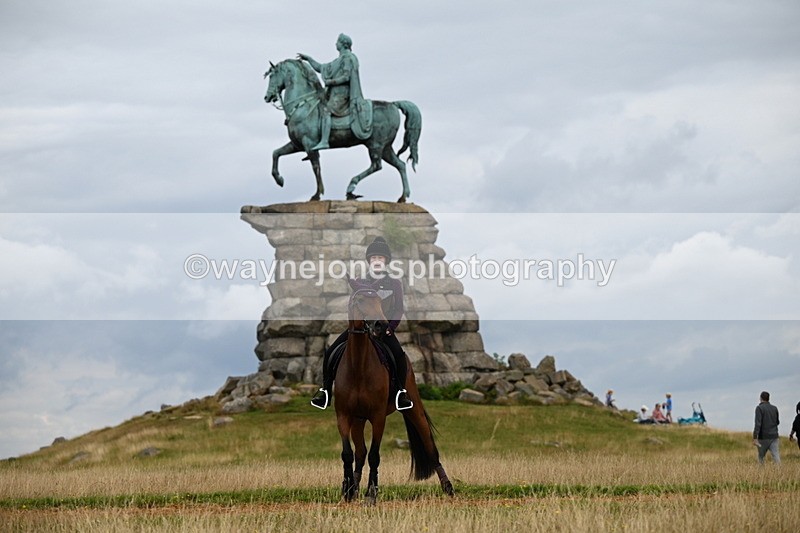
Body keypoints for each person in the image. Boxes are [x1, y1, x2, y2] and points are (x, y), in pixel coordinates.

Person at [311, 237, 413, 411]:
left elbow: (398, 309)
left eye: (380, 258)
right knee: (330, 353)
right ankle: (325, 392)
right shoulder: (360, 282)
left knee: (399, 356)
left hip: (383, 329)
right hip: (359, 329)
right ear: (369, 261)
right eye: (374, 258)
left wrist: (390, 328)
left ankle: (400, 394)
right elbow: (352, 305)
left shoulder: (394, 283)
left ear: (386, 261)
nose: (377, 261)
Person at [297, 33, 372, 150]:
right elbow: (320, 67)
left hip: (343, 95)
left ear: (343, 44)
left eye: (337, 42)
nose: (335, 44)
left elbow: (346, 77)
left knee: (326, 110)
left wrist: (331, 82)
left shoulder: (348, 58)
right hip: (334, 94)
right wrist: (309, 59)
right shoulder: (338, 60)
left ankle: (324, 141)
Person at [753, 390, 780, 465]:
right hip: (774, 436)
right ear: (769, 398)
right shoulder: (775, 408)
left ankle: (761, 474)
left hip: (763, 437)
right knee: (776, 456)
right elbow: (777, 422)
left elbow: (758, 424)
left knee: (761, 457)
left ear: (761, 398)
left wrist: (755, 437)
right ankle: (780, 473)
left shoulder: (759, 408)